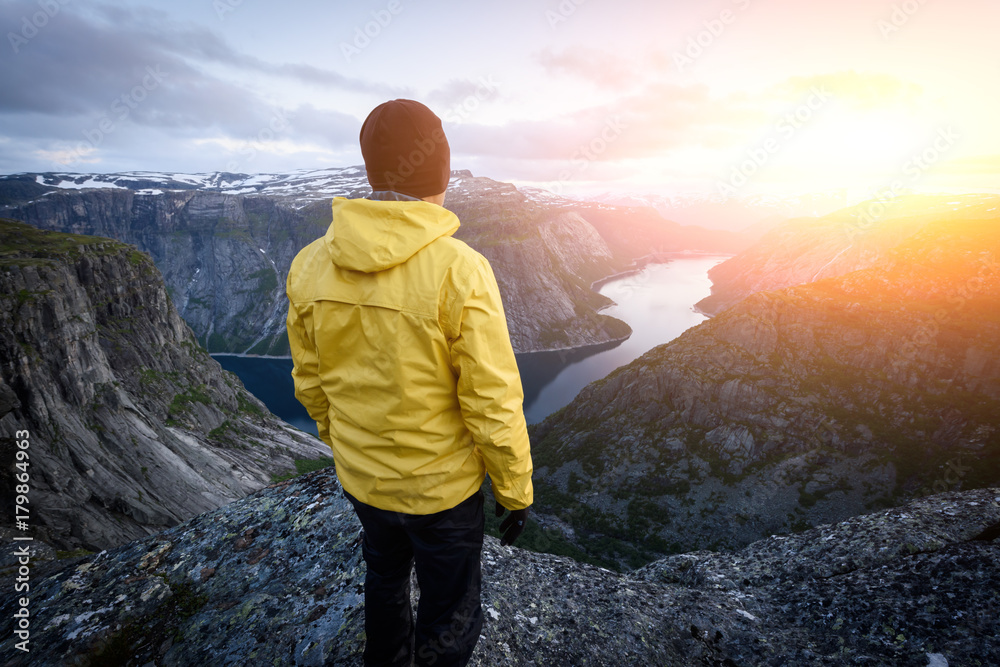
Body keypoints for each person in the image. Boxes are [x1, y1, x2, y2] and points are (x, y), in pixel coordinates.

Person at [286, 98, 533, 667]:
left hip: (364, 481)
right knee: (450, 611)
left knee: (385, 576)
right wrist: (514, 489)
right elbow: (491, 398)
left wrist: (345, 444)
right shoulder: (459, 269)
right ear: (440, 171)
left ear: (372, 170)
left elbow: (310, 381)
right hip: (441, 492)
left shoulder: (310, 264)